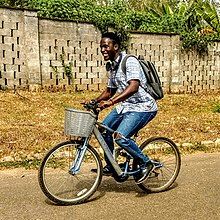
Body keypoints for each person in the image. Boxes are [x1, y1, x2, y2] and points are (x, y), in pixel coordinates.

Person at [90, 32, 158, 183]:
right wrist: (95, 101)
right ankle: (112, 165)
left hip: (143, 106)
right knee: (104, 130)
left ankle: (146, 162)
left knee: (120, 137)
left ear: (116, 46)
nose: (103, 50)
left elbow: (133, 87)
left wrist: (112, 102)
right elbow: (109, 91)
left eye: (106, 46)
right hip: (126, 106)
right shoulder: (112, 66)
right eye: (101, 47)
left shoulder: (130, 61)